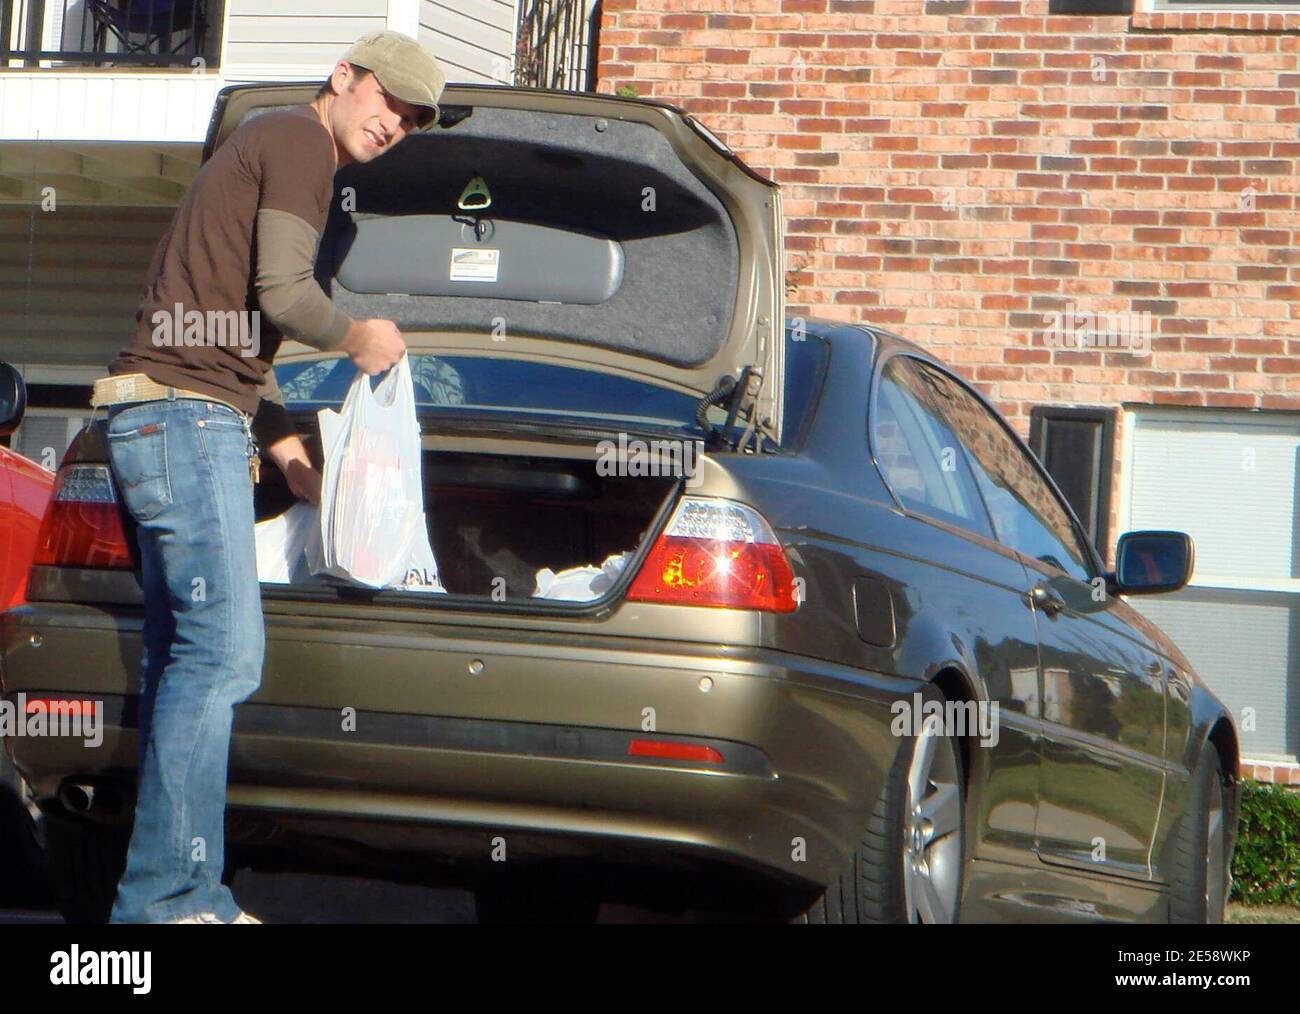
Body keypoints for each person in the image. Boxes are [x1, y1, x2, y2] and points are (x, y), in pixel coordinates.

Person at [90, 31, 446, 924]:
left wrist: (287, 453)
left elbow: (245, 339)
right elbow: (286, 296)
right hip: (186, 421)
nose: (395, 122)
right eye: (387, 100)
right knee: (221, 657)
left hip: (166, 417)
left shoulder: (274, 148)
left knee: (188, 659)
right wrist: (360, 335)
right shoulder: (298, 144)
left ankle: (168, 898)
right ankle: (172, 903)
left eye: (411, 116)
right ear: (342, 79)